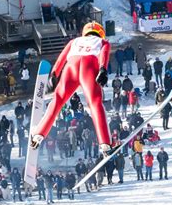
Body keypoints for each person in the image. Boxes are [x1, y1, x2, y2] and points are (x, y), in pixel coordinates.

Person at [30, 22, 112, 155]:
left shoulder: (74, 41)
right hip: (89, 66)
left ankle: (38, 134)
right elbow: (105, 54)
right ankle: (105, 144)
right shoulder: (103, 41)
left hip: (71, 66)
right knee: (95, 104)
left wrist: (54, 76)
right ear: (100, 32)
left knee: (57, 102)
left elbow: (61, 58)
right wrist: (103, 69)